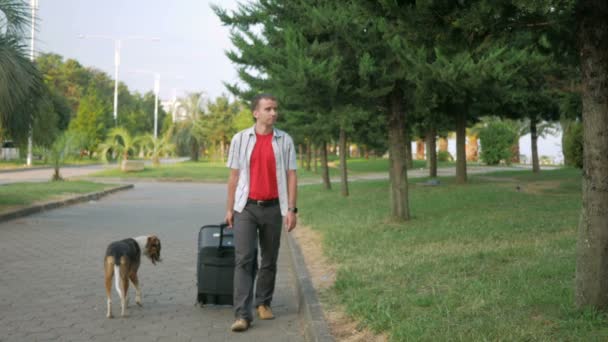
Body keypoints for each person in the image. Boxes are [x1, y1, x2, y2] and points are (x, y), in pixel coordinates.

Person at [224, 93, 298, 332]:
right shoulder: (240, 139)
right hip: (246, 207)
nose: (274, 113)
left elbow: (291, 175)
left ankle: (263, 302)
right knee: (244, 259)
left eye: (275, 109)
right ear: (256, 112)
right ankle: (242, 314)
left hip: (274, 207)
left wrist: (291, 209)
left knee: (269, 258)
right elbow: (234, 177)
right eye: (268, 109)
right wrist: (229, 208)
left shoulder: (285, 140)